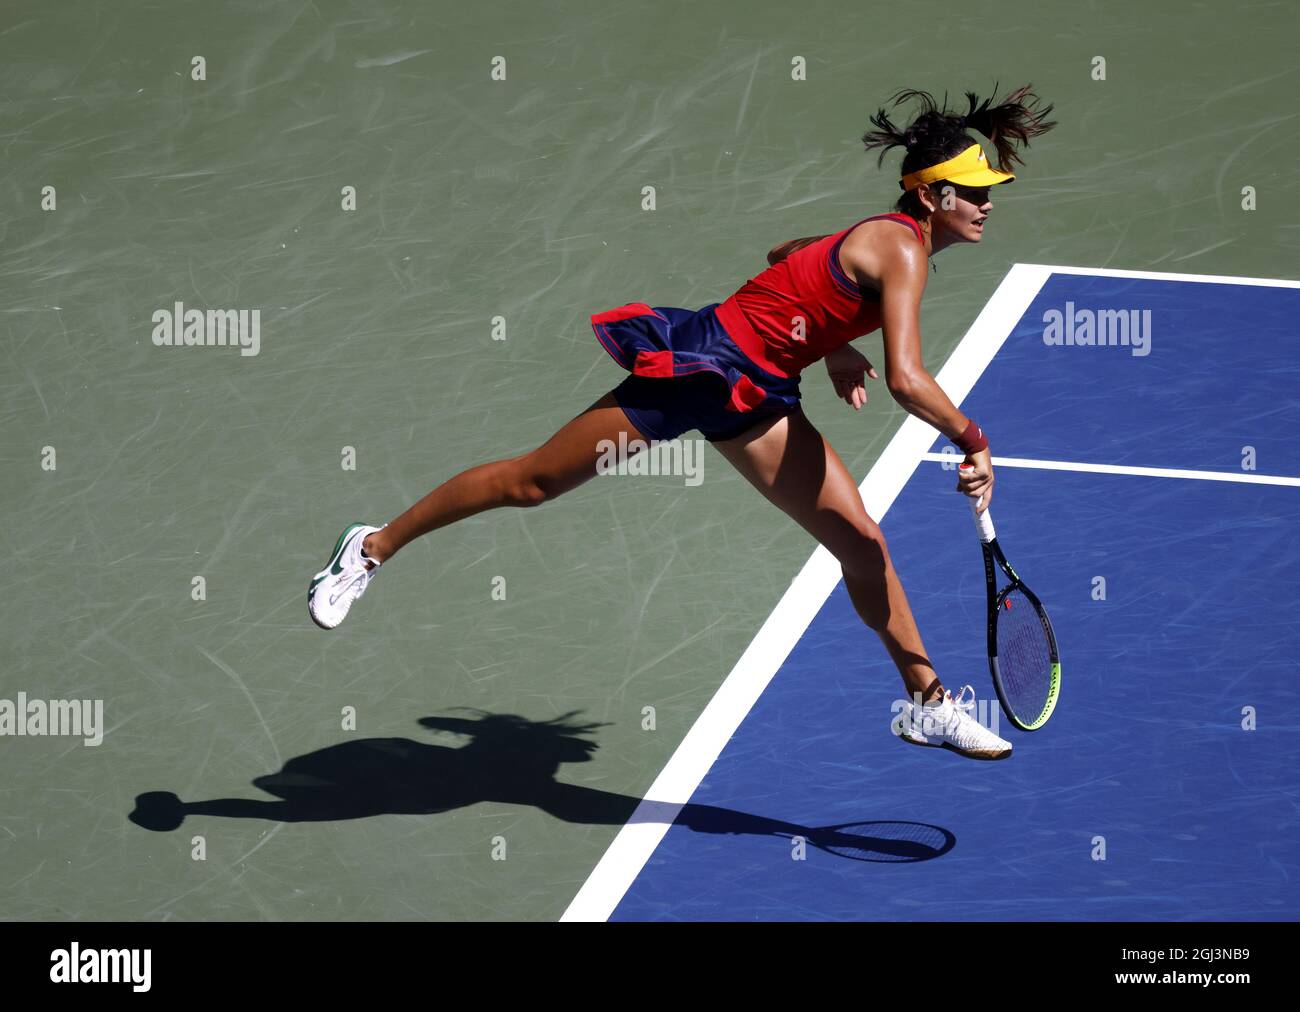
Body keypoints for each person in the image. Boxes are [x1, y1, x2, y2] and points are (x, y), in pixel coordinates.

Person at [308, 84, 1057, 761]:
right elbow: (908, 378)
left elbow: (791, 254)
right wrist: (974, 441)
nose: (987, 202)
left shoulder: (886, 238)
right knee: (531, 483)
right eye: (972, 191)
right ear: (929, 197)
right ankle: (370, 548)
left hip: (757, 395)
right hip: (698, 368)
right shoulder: (902, 248)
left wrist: (832, 347)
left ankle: (927, 707)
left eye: (989, 189)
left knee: (863, 546)